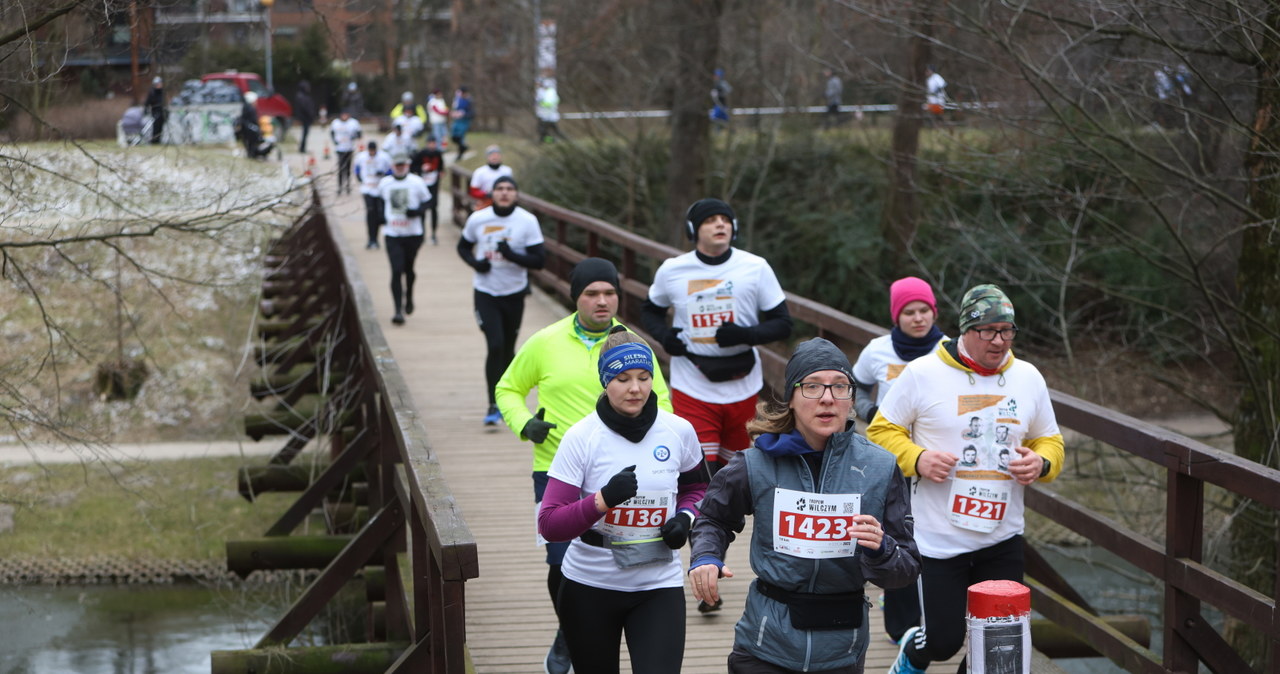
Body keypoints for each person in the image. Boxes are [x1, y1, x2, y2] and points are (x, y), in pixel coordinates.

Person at [689, 337, 920, 673]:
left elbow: (907, 567)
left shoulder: (881, 468)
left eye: (840, 386)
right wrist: (707, 557)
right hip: (765, 643)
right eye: (812, 386)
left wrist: (881, 550)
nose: (827, 398)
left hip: (843, 647)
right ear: (791, 399)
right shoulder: (755, 463)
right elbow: (713, 519)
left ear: (851, 399)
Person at [867, 284, 1064, 674]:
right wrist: (917, 458)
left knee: (995, 649)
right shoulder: (923, 373)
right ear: (965, 331)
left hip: (1002, 535)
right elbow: (880, 431)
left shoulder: (1027, 377)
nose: (999, 341)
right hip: (938, 539)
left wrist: (1041, 462)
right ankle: (912, 651)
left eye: (1007, 331)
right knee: (944, 641)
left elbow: (1050, 438)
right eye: (988, 331)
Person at [498, 260, 675, 673]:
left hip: (627, 474)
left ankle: (598, 630)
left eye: (609, 293)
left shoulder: (634, 347)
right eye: (591, 294)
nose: (602, 301)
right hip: (558, 467)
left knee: (624, 550)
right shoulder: (545, 342)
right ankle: (570, 636)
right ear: (574, 296)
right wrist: (526, 424)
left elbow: (662, 402)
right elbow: (508, 388)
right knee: (560, 562)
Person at [536, 328, 706, 674]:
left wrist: (685, 518)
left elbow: (699, 488)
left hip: (658, 583)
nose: (636, 388)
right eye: (623, 378)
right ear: (604, 381)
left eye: (644, 377)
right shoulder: (582, 437)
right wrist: (601, 501)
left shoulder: (678, 431)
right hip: (590, 584)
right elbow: (550, 524)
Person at [851, 275, 945, 645]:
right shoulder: (877, 350)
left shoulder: (950, 351)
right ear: (896, 315)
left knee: (934, 539)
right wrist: (869, 411)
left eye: (925, 310)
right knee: (898, 535)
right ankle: (903, 626)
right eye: (909, 311)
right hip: (890, 460)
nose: (918, 318)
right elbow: (854, 383)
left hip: (936, 460)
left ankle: (938, 616)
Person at [457, 175, 546, 426]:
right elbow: (462, 247)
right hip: (485, 292)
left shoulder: (527, 221)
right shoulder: (479, 219)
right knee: (495, 344)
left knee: (508, 349)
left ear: (516, 195)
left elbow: (539, 260)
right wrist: (476, 263)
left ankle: (509, 399)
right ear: (492, 193)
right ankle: (492, 404)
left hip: (514, 293)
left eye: (509, 189)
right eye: (500, 189)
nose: (504, 193)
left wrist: (512, 255)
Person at [376, 151, 430, 325]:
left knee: (409, 269)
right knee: (396, 270)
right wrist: (380, 218)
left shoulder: (417, 182)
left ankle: (410, 295)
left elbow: (429, 201)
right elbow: (379, 202)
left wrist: (418, 211)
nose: (400, 168)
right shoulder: (385, 183)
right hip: (392, 234)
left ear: (407, 165)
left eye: (403, 165)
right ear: (392, 166)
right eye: (397, 165)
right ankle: (397, 310)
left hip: (413, 233)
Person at [354, 140, 392, 249]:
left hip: (380, 189)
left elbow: (391, 170)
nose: (372, 153)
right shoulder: (361, 157)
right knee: (371, 213)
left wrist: (384, 174)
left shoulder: (384, 157)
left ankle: (378, 236)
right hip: (367, 189)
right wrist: (360, 179)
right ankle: (371, 239)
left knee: (380, 215)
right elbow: (356, 169)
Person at [410, 135, 444, 245]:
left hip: (434, 185)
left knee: (434, 209)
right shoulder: (421, 154)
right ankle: (422, 233)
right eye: (430, 143)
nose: (432, 145)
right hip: (423, 185)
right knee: (422, 210)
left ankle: (434, 234)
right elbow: (412, 167)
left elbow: (441, 167)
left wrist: (440, 173)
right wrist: (421, 169)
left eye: (434, 143)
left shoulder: (438, 154)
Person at [468, 145, 514, 209]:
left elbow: (511, 188)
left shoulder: (507, 171)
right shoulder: (480, 172)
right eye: (492, 155)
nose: (494, 157)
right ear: (487, 157)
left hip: (504, 203)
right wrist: (486, 195)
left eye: (497, 155)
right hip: (486, 203)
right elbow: (473, 191)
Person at [329, 109, 362, 194]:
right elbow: (331, 132)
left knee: (348, 169)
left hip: (349, 148)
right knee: (340, 168)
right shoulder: (336, 123)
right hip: (340, 149)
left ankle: (348, 186)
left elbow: (359, 134)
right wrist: (334, 141)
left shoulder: (353, 123)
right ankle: (340, 187)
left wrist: (353, 137)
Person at [536, 78, 563, 143]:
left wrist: (540, 103)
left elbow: (548, 103)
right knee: (544, 131)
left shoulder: (550, 93)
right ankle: (548, 140)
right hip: (547, 116)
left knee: (543, 131)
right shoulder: (548, 92)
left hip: (548, 116)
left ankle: (553, 140)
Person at [451, 86, 474, 161]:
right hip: (457, 121)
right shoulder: (458, 100)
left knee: (460, 138)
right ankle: (463, 147)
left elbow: (472, 113)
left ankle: (460, 154)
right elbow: (455, 108)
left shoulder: (469, 101)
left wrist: (464, 114)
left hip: (464, 121)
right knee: (454, 137)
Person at [294, 80, 316, 154]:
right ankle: (302, 148)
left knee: (305, 134)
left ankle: (303, 147)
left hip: (306, 118)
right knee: (304, 134)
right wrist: (310, 114)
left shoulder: (303, 96)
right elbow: (305, 108)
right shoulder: (301, 96)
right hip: (305, 118)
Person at [144, 76, 166, 145]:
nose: (159, 85)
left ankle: (158, 140)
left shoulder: (162, 92)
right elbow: (147, 103)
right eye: (157, 84)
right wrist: (146, 109)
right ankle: (154, 141)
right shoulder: (152, 93)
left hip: (162, 112)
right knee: (155, 127)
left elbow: (164, 103)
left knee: (160, 127)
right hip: (155, 112)